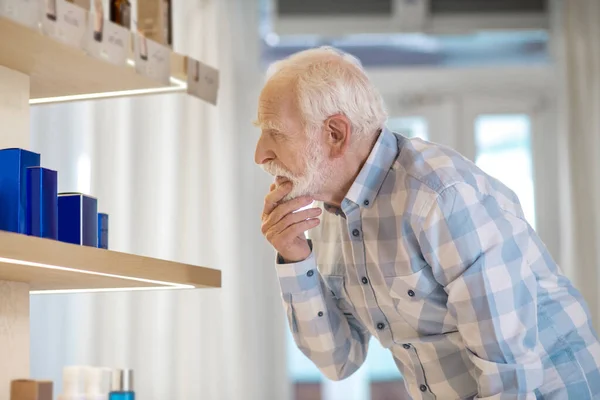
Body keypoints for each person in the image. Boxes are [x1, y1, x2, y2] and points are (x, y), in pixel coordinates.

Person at [254, 46, 600, 400]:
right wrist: (295, 257)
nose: (259, 154)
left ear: (335, 134)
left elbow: (509, 371)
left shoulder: (439, 195)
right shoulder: (332, 210)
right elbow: (338, 360)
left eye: (276, 133)